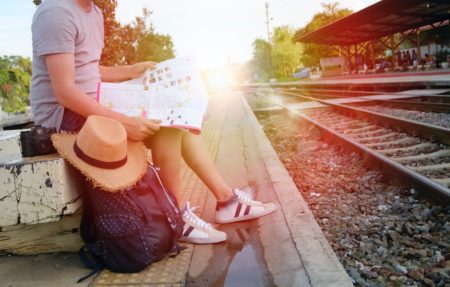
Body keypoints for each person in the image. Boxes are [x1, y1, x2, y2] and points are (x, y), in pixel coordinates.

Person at [31, 0, 276, 245]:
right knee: (165, 125)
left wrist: (131, 70)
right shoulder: (56, 12)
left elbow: (88, 69)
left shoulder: (94, 13)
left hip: (93, 101)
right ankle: (176, 215)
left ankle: (226, 201)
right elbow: (64, 91)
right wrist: (125, 122)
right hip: (63, 115)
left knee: (178, 116)